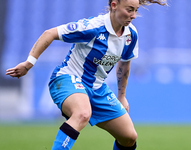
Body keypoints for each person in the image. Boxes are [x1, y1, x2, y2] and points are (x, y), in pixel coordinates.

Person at [6, 0, 167, 149]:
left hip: (98, 88)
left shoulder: (131, 35)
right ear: (114, 5)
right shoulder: (92, 26)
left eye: (136, 10)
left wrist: (122, 95)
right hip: (68, 78)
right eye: (129, 10)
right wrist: (29, 63)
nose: (133, 15)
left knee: (129, 137)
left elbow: (125, 62)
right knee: (82, 113)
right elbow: (50, 33)